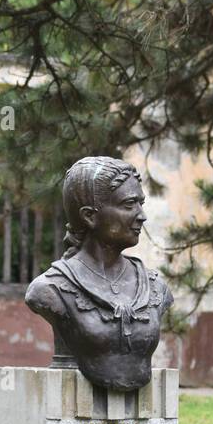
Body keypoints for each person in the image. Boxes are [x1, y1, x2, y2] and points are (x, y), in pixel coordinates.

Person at [25, 156, 173, 392]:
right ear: (90, 216)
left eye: (141, 204)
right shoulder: (50, 289)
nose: (141, 215)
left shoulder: (155, 288)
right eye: (128, 205)